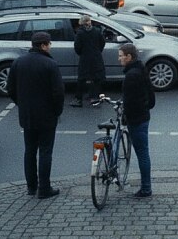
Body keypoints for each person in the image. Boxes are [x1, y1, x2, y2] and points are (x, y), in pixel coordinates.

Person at [7, 31, 64, 199]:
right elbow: (58, 92)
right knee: (45, 152)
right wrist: (57, 111)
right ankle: (44, 188)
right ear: (44, 45)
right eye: (49, 44)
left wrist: (21, 104)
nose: (50, 47)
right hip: (47, 115)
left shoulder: (18, 62)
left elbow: (10, 89)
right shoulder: (50, 64)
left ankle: (31, 187)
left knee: (30, 151)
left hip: (27, 115)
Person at [119, 43, 155, 198]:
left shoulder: (131, 75)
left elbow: (130, 101)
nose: (119, 58)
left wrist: (126, 116)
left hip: (136, 119)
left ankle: (146, 188)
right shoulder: (141, 69)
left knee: (142, 154)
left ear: (129, 56)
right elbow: (150, 95)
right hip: (144, 116)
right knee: (143, 152)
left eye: (121, 55)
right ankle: (146, 187)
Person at [71, 15, 106, 107]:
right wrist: (97, 51)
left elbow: (77, 47)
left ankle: (78, 99)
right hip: (96, 58)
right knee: (96, 78)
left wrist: (82, 53)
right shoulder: (97, 31)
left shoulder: (80, 33)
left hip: (85, 59)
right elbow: (102, 43)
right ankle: (94, 97)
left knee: (82, 78)